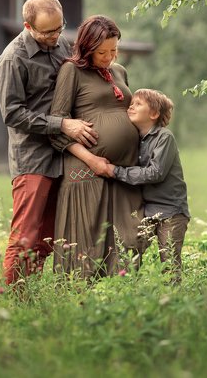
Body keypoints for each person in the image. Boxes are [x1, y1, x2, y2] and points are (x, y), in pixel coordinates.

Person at [0, 0, 98, 287]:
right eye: (47, 32)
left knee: (49, 234)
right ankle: (12, 298)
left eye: (59, 28)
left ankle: (30, 292)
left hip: (63, 153)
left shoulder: (63, 43)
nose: (55, 37)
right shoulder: (13, 59)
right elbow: (13, 114)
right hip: (33, 158)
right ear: (28, 26)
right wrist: (63, 124)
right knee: (25, 234)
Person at [48, 15, 145, 277]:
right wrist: (93, 160)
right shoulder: (72, 71)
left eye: (114, 50)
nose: (109, 57)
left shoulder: (120, 72)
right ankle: (81, 295)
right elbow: (57, 128)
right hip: (87, 169)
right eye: (102, 51)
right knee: (89, 240)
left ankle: (122, 293)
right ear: (88, 47)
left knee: (130, 237)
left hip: (123, 171)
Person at [99, 89, 190, 283]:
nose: (131, 106)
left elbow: (155, 172)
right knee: (130, 247)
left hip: (171, 211)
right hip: (147, 210)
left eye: (138, 104)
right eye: (131, 103)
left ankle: (172, 299)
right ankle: (127, 288)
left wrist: (116, 171)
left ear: (154, 114)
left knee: (170, 260)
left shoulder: (164, 137)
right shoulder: (134, 140)